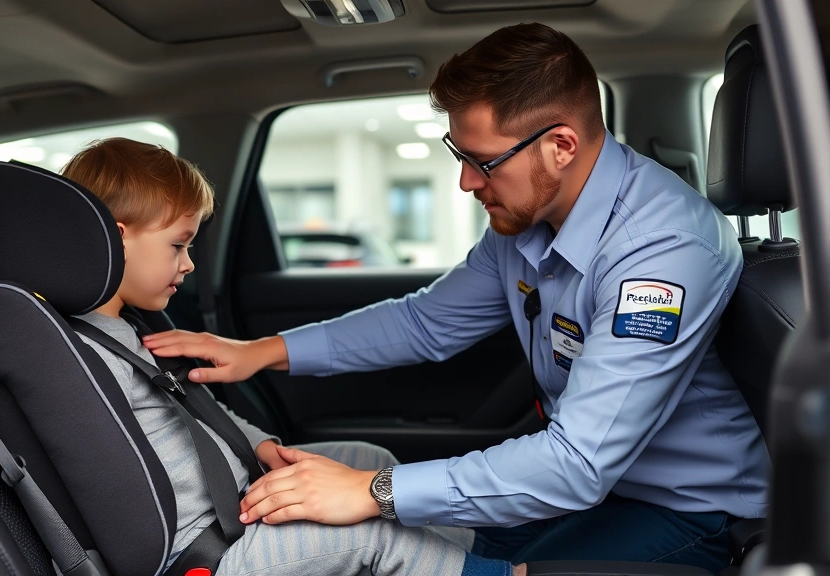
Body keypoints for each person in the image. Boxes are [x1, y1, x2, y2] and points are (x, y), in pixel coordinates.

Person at [142, 23, 769, 573]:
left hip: (687, 507)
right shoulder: (529, 218)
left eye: (483, 161)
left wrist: (372, 489)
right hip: (596, 487)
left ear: (562, 145)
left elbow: (578, 462)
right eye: (457, 154)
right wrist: (260, 351)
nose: (467, 181)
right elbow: (425, 323)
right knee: (428, 552)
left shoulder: (661, 252)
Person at [61, 137, 520, 576]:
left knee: (366, 457)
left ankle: (466, 554)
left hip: (235, 499)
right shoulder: (81, 357)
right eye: (178, 246)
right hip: (209, 549)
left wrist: (259, 448)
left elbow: (199, 411)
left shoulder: (135, 327)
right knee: (369, 530)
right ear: (116, 239)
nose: (189, 264)